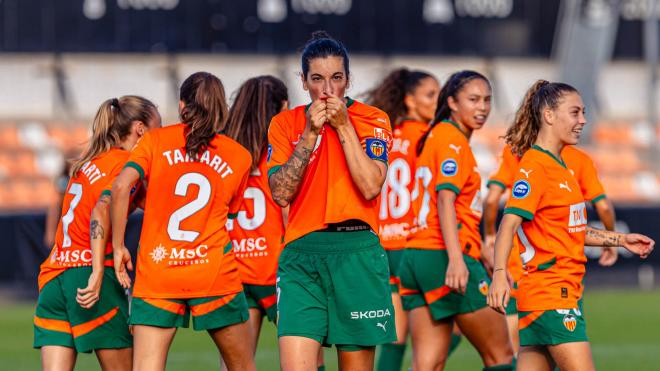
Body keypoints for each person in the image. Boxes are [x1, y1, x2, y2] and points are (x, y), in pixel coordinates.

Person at [487, 80, 655, 371]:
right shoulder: (536, 166)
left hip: (546, 295)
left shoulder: (560, 165)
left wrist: (619, 240)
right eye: (575, 112)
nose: (583, 120)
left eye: (583, 112)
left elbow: (571, 229)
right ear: (549, 116)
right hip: (553, 293)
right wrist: (500, 274)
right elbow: (509, 223)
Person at [267, 31, 395, 371]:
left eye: (336, 78)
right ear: (304, 81)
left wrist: (344, 127)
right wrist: (309, 134)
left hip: (357, 253)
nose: (327, 90)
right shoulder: (285, 124)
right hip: (301, 256)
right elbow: (280, 194)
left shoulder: (373, 119)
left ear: (348, 81)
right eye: (318, 79)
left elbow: (370, 186)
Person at [110, 72, 256, 371]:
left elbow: (121, 187)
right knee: (242, 367)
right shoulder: (239, 156)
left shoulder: (153, 140)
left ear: (181, 106)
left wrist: (118, 246)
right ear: (220, 109)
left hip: (158, 272)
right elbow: (230, 214)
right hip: (212, 272)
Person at [34, 96, 161, 370]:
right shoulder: (125, 165)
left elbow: (150, 205)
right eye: (158, 127)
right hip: (90, 274)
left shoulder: (90, 162)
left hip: (54, 277)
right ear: (140, 129)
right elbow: (100, 211)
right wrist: (98, 272)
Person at [398, 70, 514, 370]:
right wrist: (456, 259)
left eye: (487, 100)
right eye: (473, 100)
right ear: (451, 102)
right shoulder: (452, 140)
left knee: (428, 364)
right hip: (443, 254)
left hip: (414, 257)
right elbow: (445, 199)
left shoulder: (435, 135)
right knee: (500, 354)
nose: (482, 107)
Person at [483, 141, 617, 354]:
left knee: (516, 353)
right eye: (575, 112)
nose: (581, 120)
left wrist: (489, 236)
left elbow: (491, 200)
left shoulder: (515, 153)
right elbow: (602, 206)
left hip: (519, 270)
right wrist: (612, 240)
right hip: (554, 279)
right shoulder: (574, 160)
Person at [365, 68, 440, 371]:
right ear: (410, 101)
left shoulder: (383, 137)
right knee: (462, 321)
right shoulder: (428, 138)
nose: (438, 102)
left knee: (394, 337)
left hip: (383, 244)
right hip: (413, 243)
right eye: (431, 95)